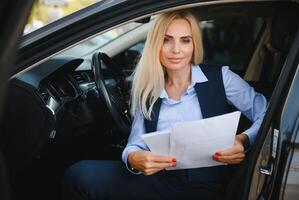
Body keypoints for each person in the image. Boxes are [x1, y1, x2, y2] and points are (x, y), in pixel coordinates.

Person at [62, 10, 267, 200]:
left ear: (194, 44)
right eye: (166, 40)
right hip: (158, 179)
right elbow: (135, 144)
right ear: (155, 45)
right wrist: (133, 158)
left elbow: (266, 113)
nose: (176, 50)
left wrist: (244, 140)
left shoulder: (222, 78)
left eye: (185, 41)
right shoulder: (149, 88)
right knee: (78, 174)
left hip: (206, 185)